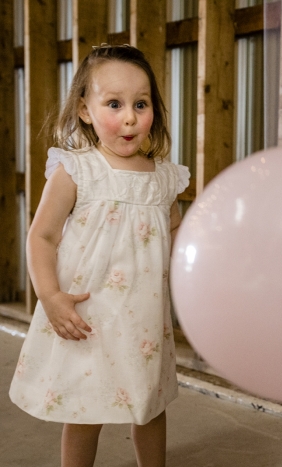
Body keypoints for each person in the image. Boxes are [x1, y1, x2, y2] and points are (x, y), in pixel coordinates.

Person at [9, 44, 189, 467]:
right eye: (114, 103)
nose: (130, 116)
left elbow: (178, 232)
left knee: (149, 403)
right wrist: (50, 296)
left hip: (142, 319)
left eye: (140, 104)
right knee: (84, 406)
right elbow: (43, 237)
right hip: (88, 318)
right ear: (85, 110)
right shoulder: (76, 170)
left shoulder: (163, 177)